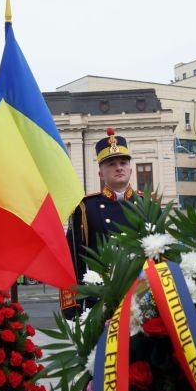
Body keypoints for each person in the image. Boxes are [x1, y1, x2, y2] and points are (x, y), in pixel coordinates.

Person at [61, 128, 139, 318]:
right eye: (111, 164)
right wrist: (73, 306)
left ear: (130, 169)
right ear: (101, 174)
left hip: (140, 297)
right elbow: (73, 258)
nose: (118, 167)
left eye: (123, 163)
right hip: (101, 301)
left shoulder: (148, 205)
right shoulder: (86, 208)